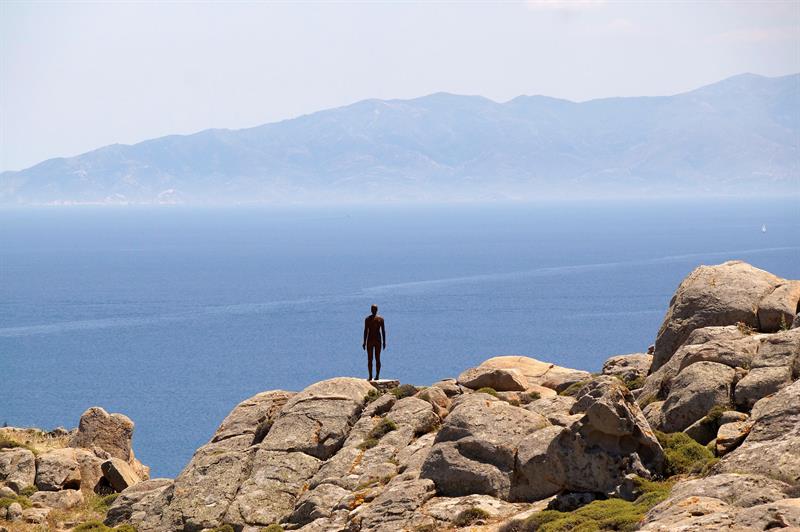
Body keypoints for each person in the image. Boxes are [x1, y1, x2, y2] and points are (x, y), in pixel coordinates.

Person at [362, 304, 386, 381]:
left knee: (377, 358)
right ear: (371, 310)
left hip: (378, 340)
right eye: (373, 309)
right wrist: (364, 342)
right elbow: (365, 330)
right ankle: (370, 376)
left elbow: (383, 331)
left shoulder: (381, 319)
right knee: (370, 359)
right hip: (370, 340)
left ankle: (377, 376)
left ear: (377, 310)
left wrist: (384, 341)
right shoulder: (367, 319)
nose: (374, 310)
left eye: (375, 309)